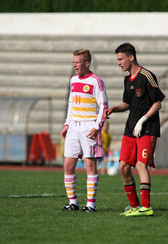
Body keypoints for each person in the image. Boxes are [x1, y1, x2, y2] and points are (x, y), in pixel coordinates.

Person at [105, 43, 165, 216]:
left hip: (147, 128)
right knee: (123, 167)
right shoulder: (127, 80)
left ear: (131, 57)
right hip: (130, 128)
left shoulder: (147, 75)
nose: (118, 63)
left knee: (140, 165)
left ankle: (146, 207)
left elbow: (157, 103)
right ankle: (135, 206)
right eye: (117, 60)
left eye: (120, 59)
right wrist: (114, 109)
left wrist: (143, 120)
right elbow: (127, 104)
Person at [61, 49, 108, 212]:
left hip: (89, 127)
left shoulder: (96, 81)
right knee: (68, 165)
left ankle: (91, 205)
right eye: (73, 62)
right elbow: (71, 103)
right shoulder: (73, 80)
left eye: (77, 62)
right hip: (74, 126)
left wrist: (97, 127)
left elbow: (103, 105)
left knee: (90, 167)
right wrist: (67, 124)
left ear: (87, 63)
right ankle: (73, 202)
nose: (74, 65)